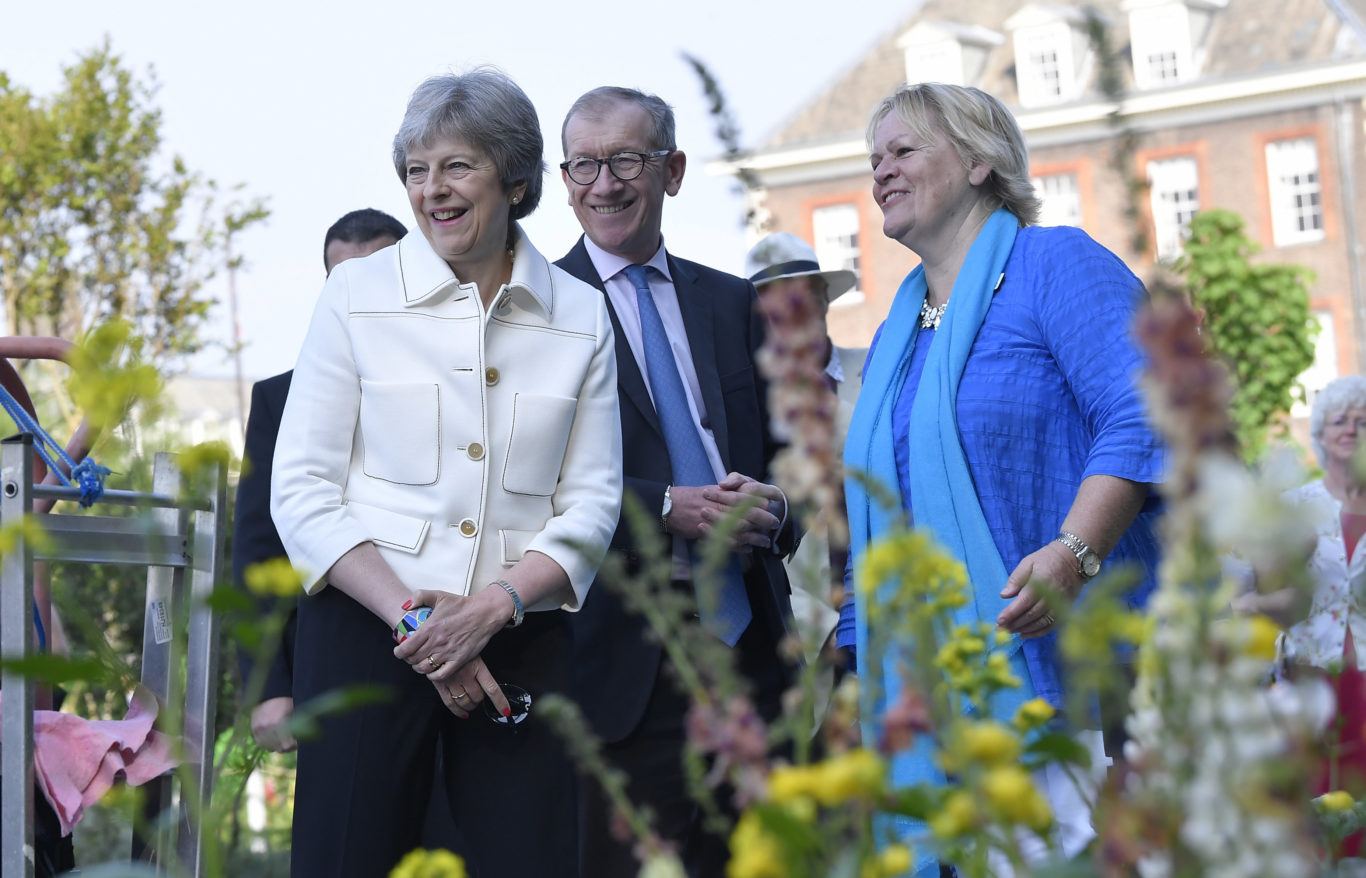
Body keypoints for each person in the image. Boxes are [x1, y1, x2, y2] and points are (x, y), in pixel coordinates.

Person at [270, 69, 622, 878]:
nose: (432, 190)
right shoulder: (354, 295)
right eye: (416, 170)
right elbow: (303, 490)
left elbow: (593, 500)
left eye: (457, 166)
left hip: (520, 646)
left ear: (516, 178)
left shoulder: (581, 314)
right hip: (367, 638)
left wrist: (491, 609)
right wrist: (420, 629)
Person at [842, 82, 1164, 875]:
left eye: (904, 150)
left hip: (1072, 681)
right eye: (874, 158)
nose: (881, 170)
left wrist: (1072, 555)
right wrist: (858, 661)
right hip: (932, 702)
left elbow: (1145, 416)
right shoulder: (897, 333)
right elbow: (890, 508)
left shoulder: (1054, 265)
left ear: (982, 160)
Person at [555, 86, 799, 877]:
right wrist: (665, 506)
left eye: (626, 159)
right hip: (625, 666)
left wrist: (776, 504)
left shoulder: (733, 303)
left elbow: (791, 453)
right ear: (564, 180)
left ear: (674, 170)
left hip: (756, 653)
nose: (604, 184)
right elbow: (525, 481)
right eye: (584, 165)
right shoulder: (533, 314)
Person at [233, 207, 407, 754]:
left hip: (459, 647)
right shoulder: (280, 399)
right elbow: (260, 547)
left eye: (377, 277)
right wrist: (268, 687)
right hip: (334, 659)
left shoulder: (471, 378)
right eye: (343, 283)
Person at [1234, 374, 1366, 856]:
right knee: (1315, 788)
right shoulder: (1297, 506)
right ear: (1321, 435)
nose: (1351, 429)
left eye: (1363, 421)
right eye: (1339, 420)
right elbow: (1268, 584)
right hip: (1311, 668)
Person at [743, 233, 863, 653]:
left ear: (826, 298)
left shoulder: (882, 366)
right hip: (814, 635)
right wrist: (818, 628)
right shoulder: (747, 410)